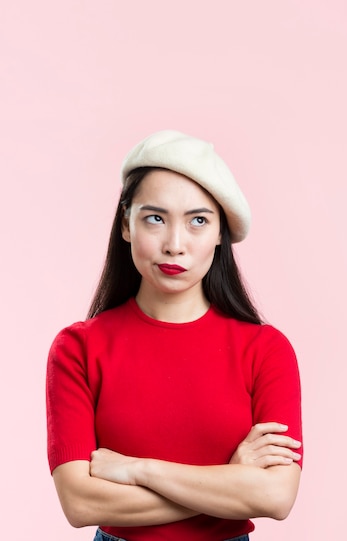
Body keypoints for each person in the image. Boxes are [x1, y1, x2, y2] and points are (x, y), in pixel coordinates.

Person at [46, 130, 303, 541]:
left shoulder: (265, 350)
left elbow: (275, 496)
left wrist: (138, 469)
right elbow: (81, 504)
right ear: (126, 224)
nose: (174, 244)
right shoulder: (79, 348)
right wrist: (232, 481)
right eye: (155, 218)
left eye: (198, 221)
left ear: (221, 234)